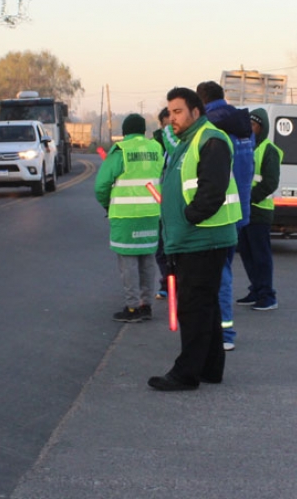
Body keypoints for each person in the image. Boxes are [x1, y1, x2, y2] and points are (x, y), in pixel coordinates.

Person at [148, 87, 240, 391]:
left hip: (202, 238)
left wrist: (190, 216)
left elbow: (212, 189)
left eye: (178, 111)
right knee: (206, 305)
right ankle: (210, 368)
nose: (172, 118)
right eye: (170, 112)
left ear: (195, 112)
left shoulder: (209, 139)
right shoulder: (188, 141)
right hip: (193, 239)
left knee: (193, 307)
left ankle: (186, 373)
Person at [196, 81, 254, 351]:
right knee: (224, 270)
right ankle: (221, 331)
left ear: (201, 101)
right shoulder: (242, 125)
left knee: (218, 274)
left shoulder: (212, 126)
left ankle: (224, 334)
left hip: (219, 213)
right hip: (239, 208)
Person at [95, 114, 165, 323]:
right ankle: (146, 306)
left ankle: (132, 308)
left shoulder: (120, 151)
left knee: (129, 263)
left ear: (125, 131)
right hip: (152, 214)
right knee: (148, 260)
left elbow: (101, 186)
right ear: (144, 130)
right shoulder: (156, 149)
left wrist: (108, 204)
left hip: (126, 217)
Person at [236, 108, 282, 310]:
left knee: (261, 255)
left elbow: (271, 182)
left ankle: (267, 295)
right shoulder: (246, 147)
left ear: (261, 128)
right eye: (249, 125)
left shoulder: (268, 150)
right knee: (247, 253)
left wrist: (248, 198)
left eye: (254, 125)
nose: (250, 129)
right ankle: (255, 289)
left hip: (259, 211)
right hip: (244, 210)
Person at [153, 107, 176, 299]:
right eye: (165, 125)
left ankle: (172, 283)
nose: (168, 128)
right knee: (161, 250)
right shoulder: (158, 145)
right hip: (160, 206)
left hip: (176, 208)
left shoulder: (180, 145)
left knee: (171, 250)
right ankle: (166, 282)